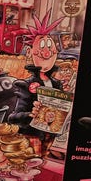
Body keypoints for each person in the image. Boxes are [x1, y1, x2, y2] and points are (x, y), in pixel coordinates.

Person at [8, 10, 64, 154]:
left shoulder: (57, 85)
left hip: (53, 138)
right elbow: (13, 117)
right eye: (42, 47)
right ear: (30, 52)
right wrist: (30, 114)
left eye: (50, 47)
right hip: (33, 138)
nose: (46, 52)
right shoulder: (25, 85)